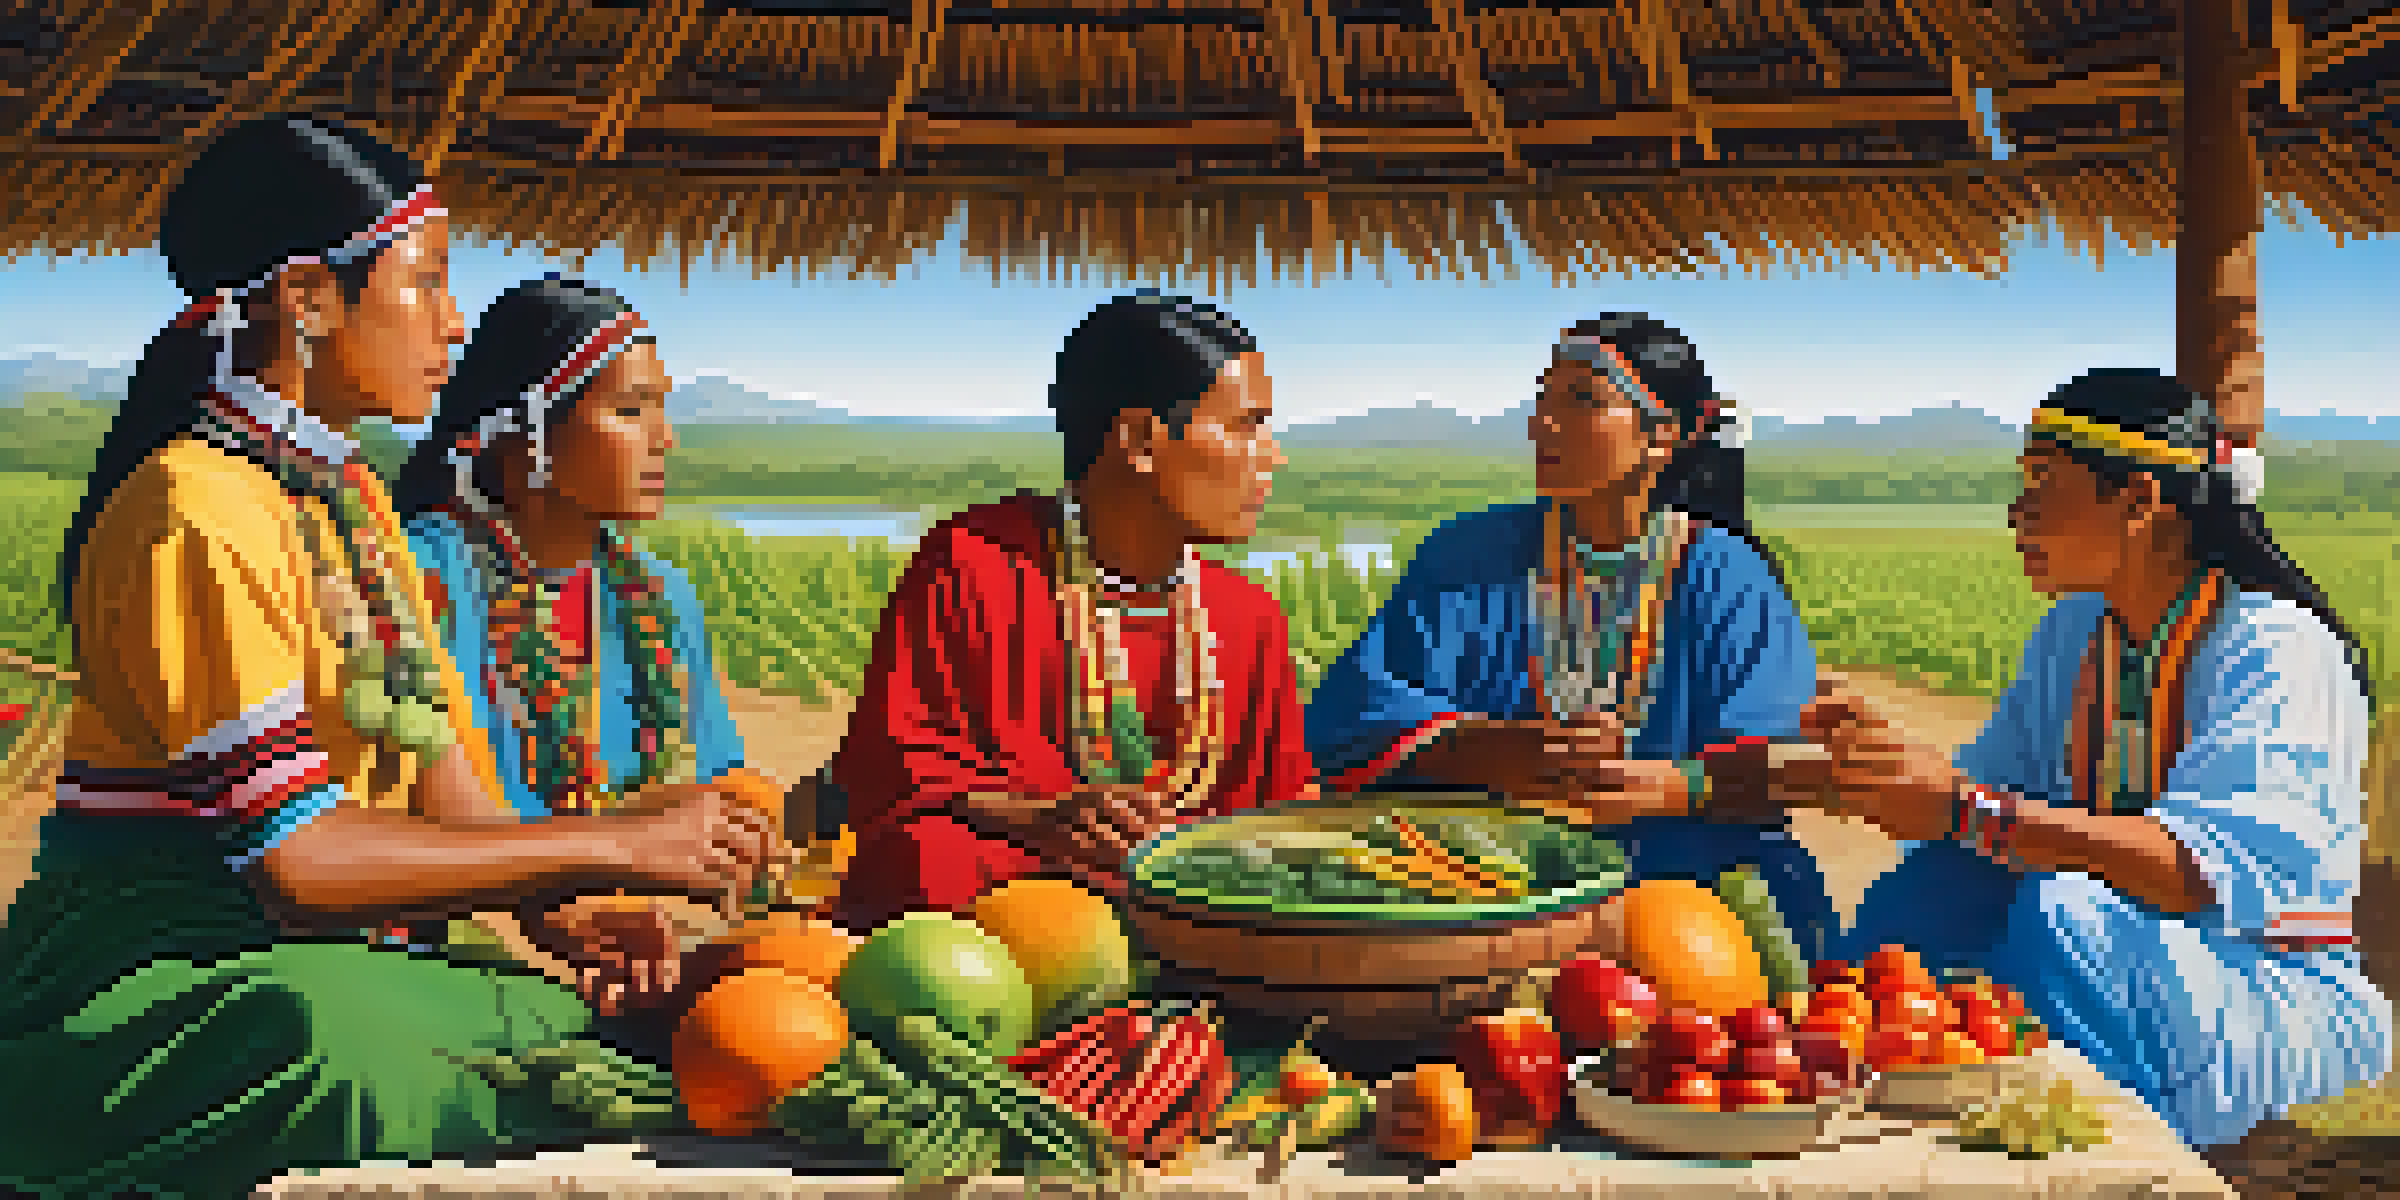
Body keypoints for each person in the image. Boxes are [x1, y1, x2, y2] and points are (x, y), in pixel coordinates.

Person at [0, 115, 776, 1199]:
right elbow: (301, 863)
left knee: (626, 1018)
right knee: (335, 1041)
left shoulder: (353, 504)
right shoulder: (196, 507)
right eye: (427, 284)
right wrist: (622, 844)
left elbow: (457, 809)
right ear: (311, 298)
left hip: (338, 949)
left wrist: (579, 918)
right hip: (166, 965)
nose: (454, 327)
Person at [1803, 368, 2392, 1148]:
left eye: (2044, 483)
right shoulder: (2074, 634)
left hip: (2266, 989)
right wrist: (1885, 763)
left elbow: (2190, 872)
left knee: (2063, 911)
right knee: (1923, 899)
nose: (2018, 514)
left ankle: (2124, 1158)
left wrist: (1960, 807)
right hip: (2121, 956)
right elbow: (1984, 804)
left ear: (2141, 500)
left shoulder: (2277, 649)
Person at [1304, 314, 1836, 958]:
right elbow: (1353, 722)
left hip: (1696, 913)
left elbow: (1795, 761)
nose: (1545, 423)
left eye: (1583, 400)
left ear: (1661, 438)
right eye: (1543, 400)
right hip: (1486, 903)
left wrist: (1673, 786)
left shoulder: (1726, 574)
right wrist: (1499, 748)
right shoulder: (1464, 554)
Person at [829, 291, 1318, 932]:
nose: (1272, 456)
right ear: (1140, 440)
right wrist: (1040, 817)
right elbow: (894, 769)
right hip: (1021, 881)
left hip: (1195, 905)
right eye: (1246, 426)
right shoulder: (977, 563)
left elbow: (1277, 810)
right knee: (930, 861)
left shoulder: (1247, 614)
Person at [395, 274, 756, 1020]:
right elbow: (434, 815)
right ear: (523, 437)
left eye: (662, 410)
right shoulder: (422, 576)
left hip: (630, 922)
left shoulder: (661, 597)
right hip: (469, 928)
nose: (666, 439)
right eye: (630, 411)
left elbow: (713, 785)